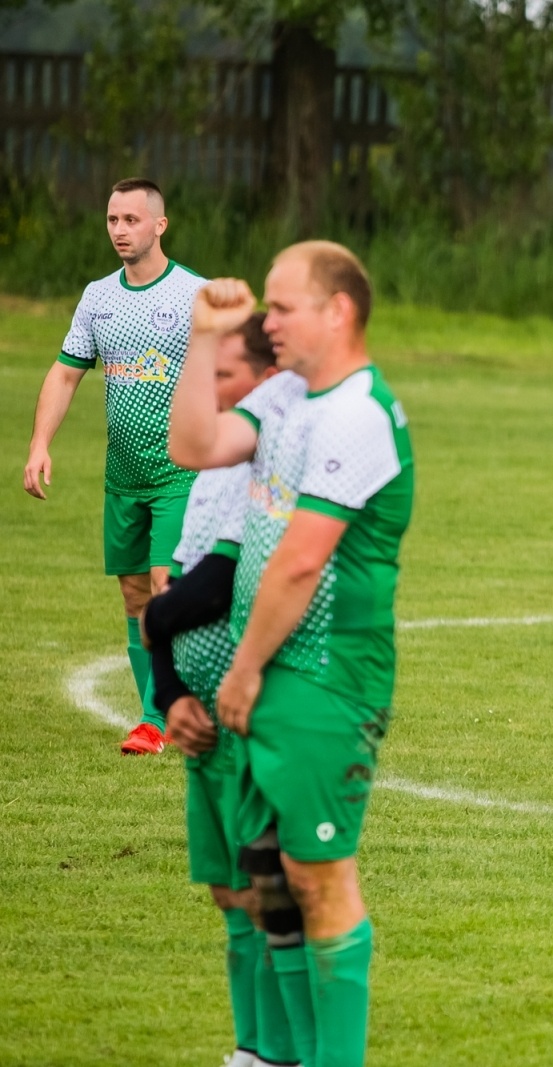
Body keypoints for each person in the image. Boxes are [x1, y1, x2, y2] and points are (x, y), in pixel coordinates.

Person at [168, 242, 413, 1067]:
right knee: (267, 874)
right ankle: (280, 1057)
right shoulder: (288, 402)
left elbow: (302, 561)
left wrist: (241, 670)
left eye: (282, 307)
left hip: (324, 676)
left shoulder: (357, 414)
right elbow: (193, 447)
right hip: (272, 671)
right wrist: (203, 339)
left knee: (319, 876)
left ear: (338, 310)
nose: (266, 323)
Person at [143, 313, 299, 1067]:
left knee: (267, 884)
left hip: (245, 709)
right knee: (229, 892)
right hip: (195, 713)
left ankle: (286, 1049)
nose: (210, 391)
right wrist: (170, 689)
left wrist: (158, 617)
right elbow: (176, 576)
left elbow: (215, 582)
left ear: (267, 384)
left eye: (224, 374)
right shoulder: (212, 458)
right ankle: (252, 1048)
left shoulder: (270, 450)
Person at [22, 177, 207, 754]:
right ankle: (170, 709)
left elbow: (238, 372)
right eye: (112, 220)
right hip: (123, 476)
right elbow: (65, 372)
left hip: (183, 471)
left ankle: (156, 720)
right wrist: (39, 444)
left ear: (160, 225)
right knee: (134, 598)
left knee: (165, 587)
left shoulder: (196, 295)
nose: (120, 230)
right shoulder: (98, 297)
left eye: (131, 220)